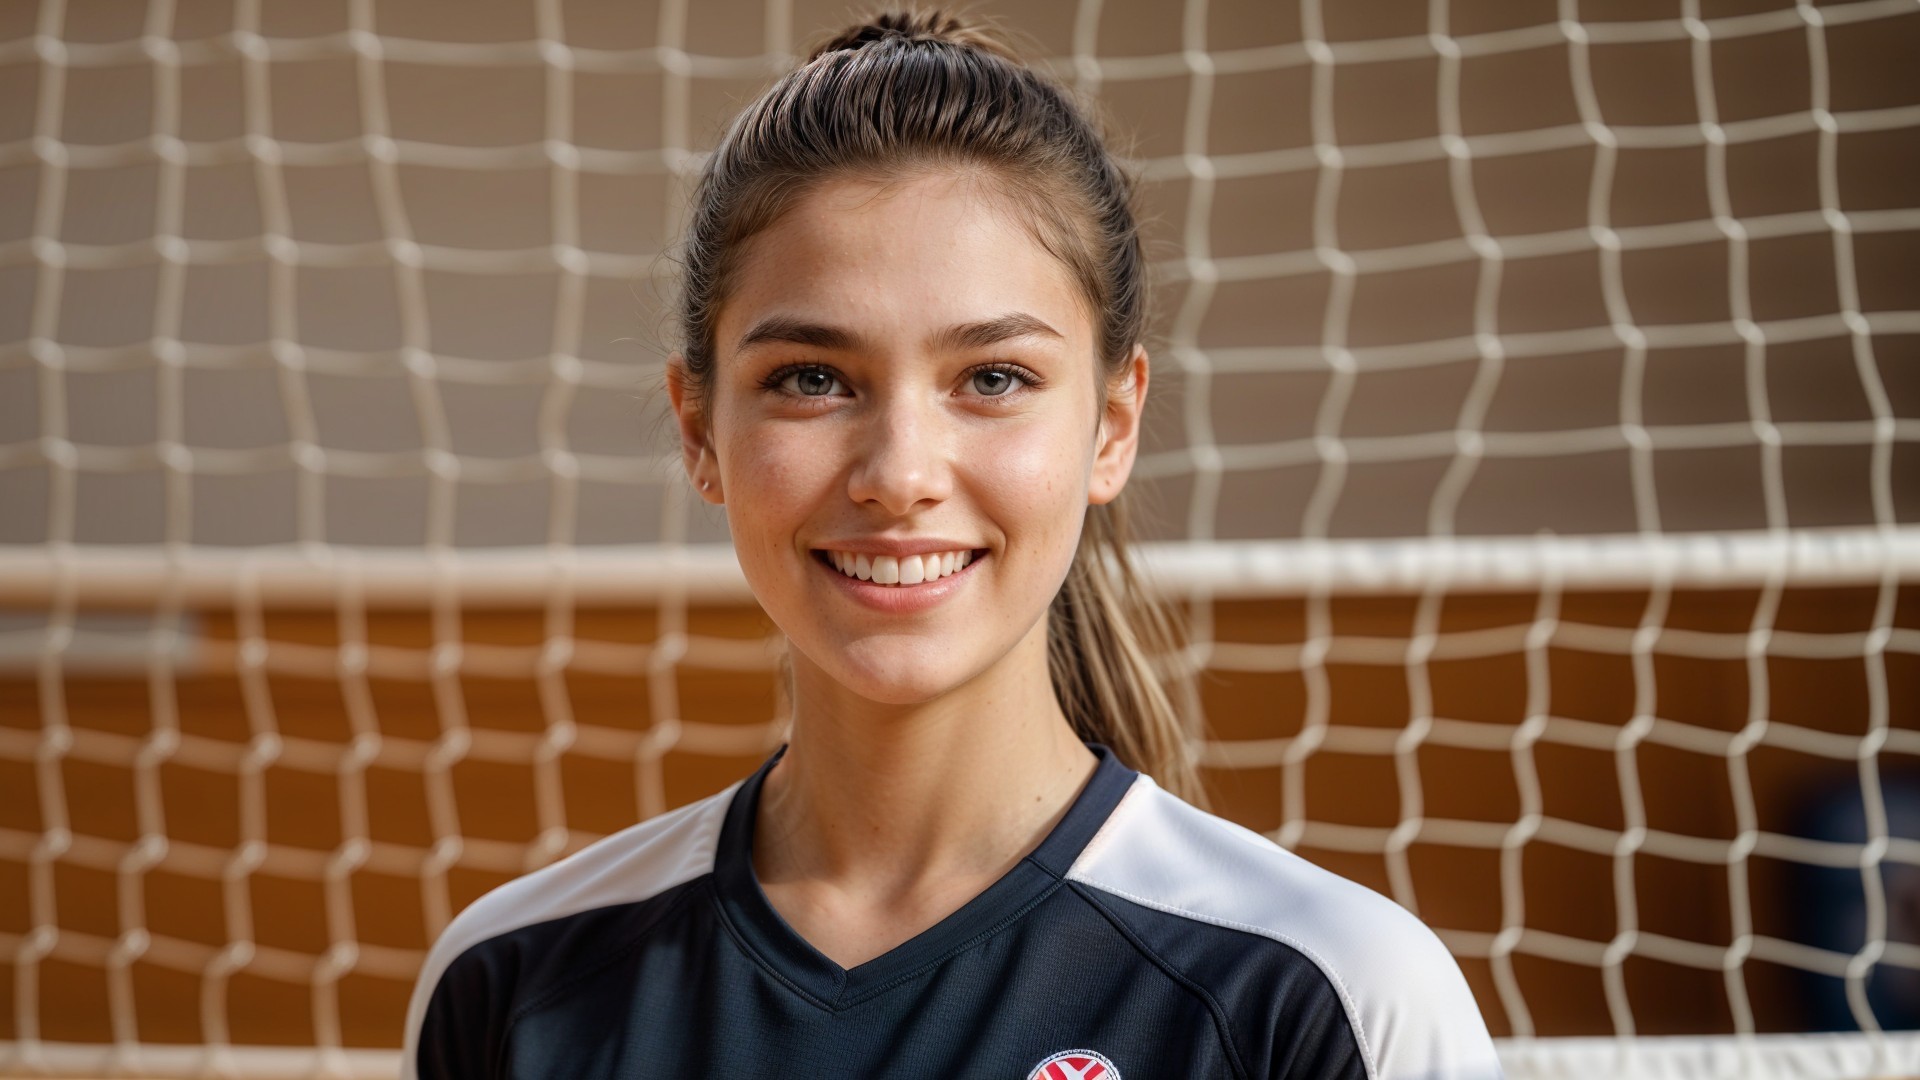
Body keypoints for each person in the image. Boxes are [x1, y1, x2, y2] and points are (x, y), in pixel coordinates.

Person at [403, 11, 1501, 1078]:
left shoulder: (1327, 996)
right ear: (700, 431)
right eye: (813, 379)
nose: (900, 476)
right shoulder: (511, 984)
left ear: (1112, 426)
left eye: (993, 379)